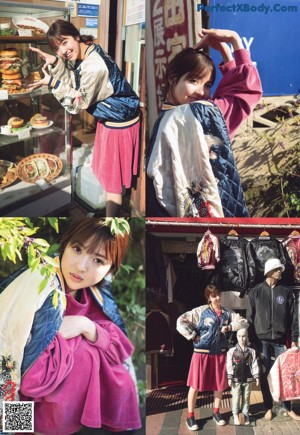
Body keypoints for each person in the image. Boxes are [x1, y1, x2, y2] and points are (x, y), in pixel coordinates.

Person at [0, 218, 141, 435]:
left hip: (69, 411)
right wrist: (16, 428)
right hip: (36, 409)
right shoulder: (39, 284)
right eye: (77, 249)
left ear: (111, 269)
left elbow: (118, 350)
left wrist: (85, 326)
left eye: (98, 260)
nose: (81, 267)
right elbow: (13, 364)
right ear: (65, 244)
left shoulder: (95, 292)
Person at [147, 28, 262, 218]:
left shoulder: (167, 116)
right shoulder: (195, 114)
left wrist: (226, 52)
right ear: (173, 79)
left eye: (207, 85)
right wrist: (234, 42)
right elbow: (245, 93)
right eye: (193, 81)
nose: (201, 92)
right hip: (211, 214)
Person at [29, 20, 140, 217]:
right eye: (57, 48)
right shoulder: (89, 50)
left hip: (118, 124)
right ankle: (111, 213)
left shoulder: (94, 66)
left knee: (112, 181)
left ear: (77, 36)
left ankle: (109, 225)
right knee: (110, 175)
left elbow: (78, 102)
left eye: (64, 42)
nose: (63, 51)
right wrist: (55, 62)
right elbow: (74, 80)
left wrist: (52, 81)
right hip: (113, 119)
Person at [177, 284, 248, 431]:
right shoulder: (200, 311)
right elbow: (180, 321)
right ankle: (190, 416)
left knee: (219, 385)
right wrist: (192, 335)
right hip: (201, 353)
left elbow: (244, 322)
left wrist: (229, 327)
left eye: (218, 294)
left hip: (220, 353)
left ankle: (216, 412)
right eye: (214, 295)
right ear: (208, 297)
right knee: (195, 385)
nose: (218, 298)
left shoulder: (227, 313)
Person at [246, 257, 300, 421]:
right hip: (261, 341)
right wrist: (250, 341)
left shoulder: (286, 292)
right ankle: (268, 407)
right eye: (278, 269)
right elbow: (249, 318)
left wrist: (294, 339)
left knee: (286, 374)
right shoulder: (255, 292)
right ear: (270, 271)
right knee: (264, 373)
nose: (280, 272)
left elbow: (293, 318)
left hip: (280, 340)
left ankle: (287, 407)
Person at [226, 327, 259, 425]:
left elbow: (254, 364)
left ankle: (245, 413)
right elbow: (229, 364)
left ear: (247, 336)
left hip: (248, 379)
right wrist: (230, 377)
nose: (241, 338)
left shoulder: (251, 351)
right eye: (239, 336)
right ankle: (235, 413)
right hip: (236, 379)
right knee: (236, 397)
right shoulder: (232, 351)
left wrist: (256, 376)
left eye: (244, 336)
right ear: (236, 336)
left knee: (247, 397)